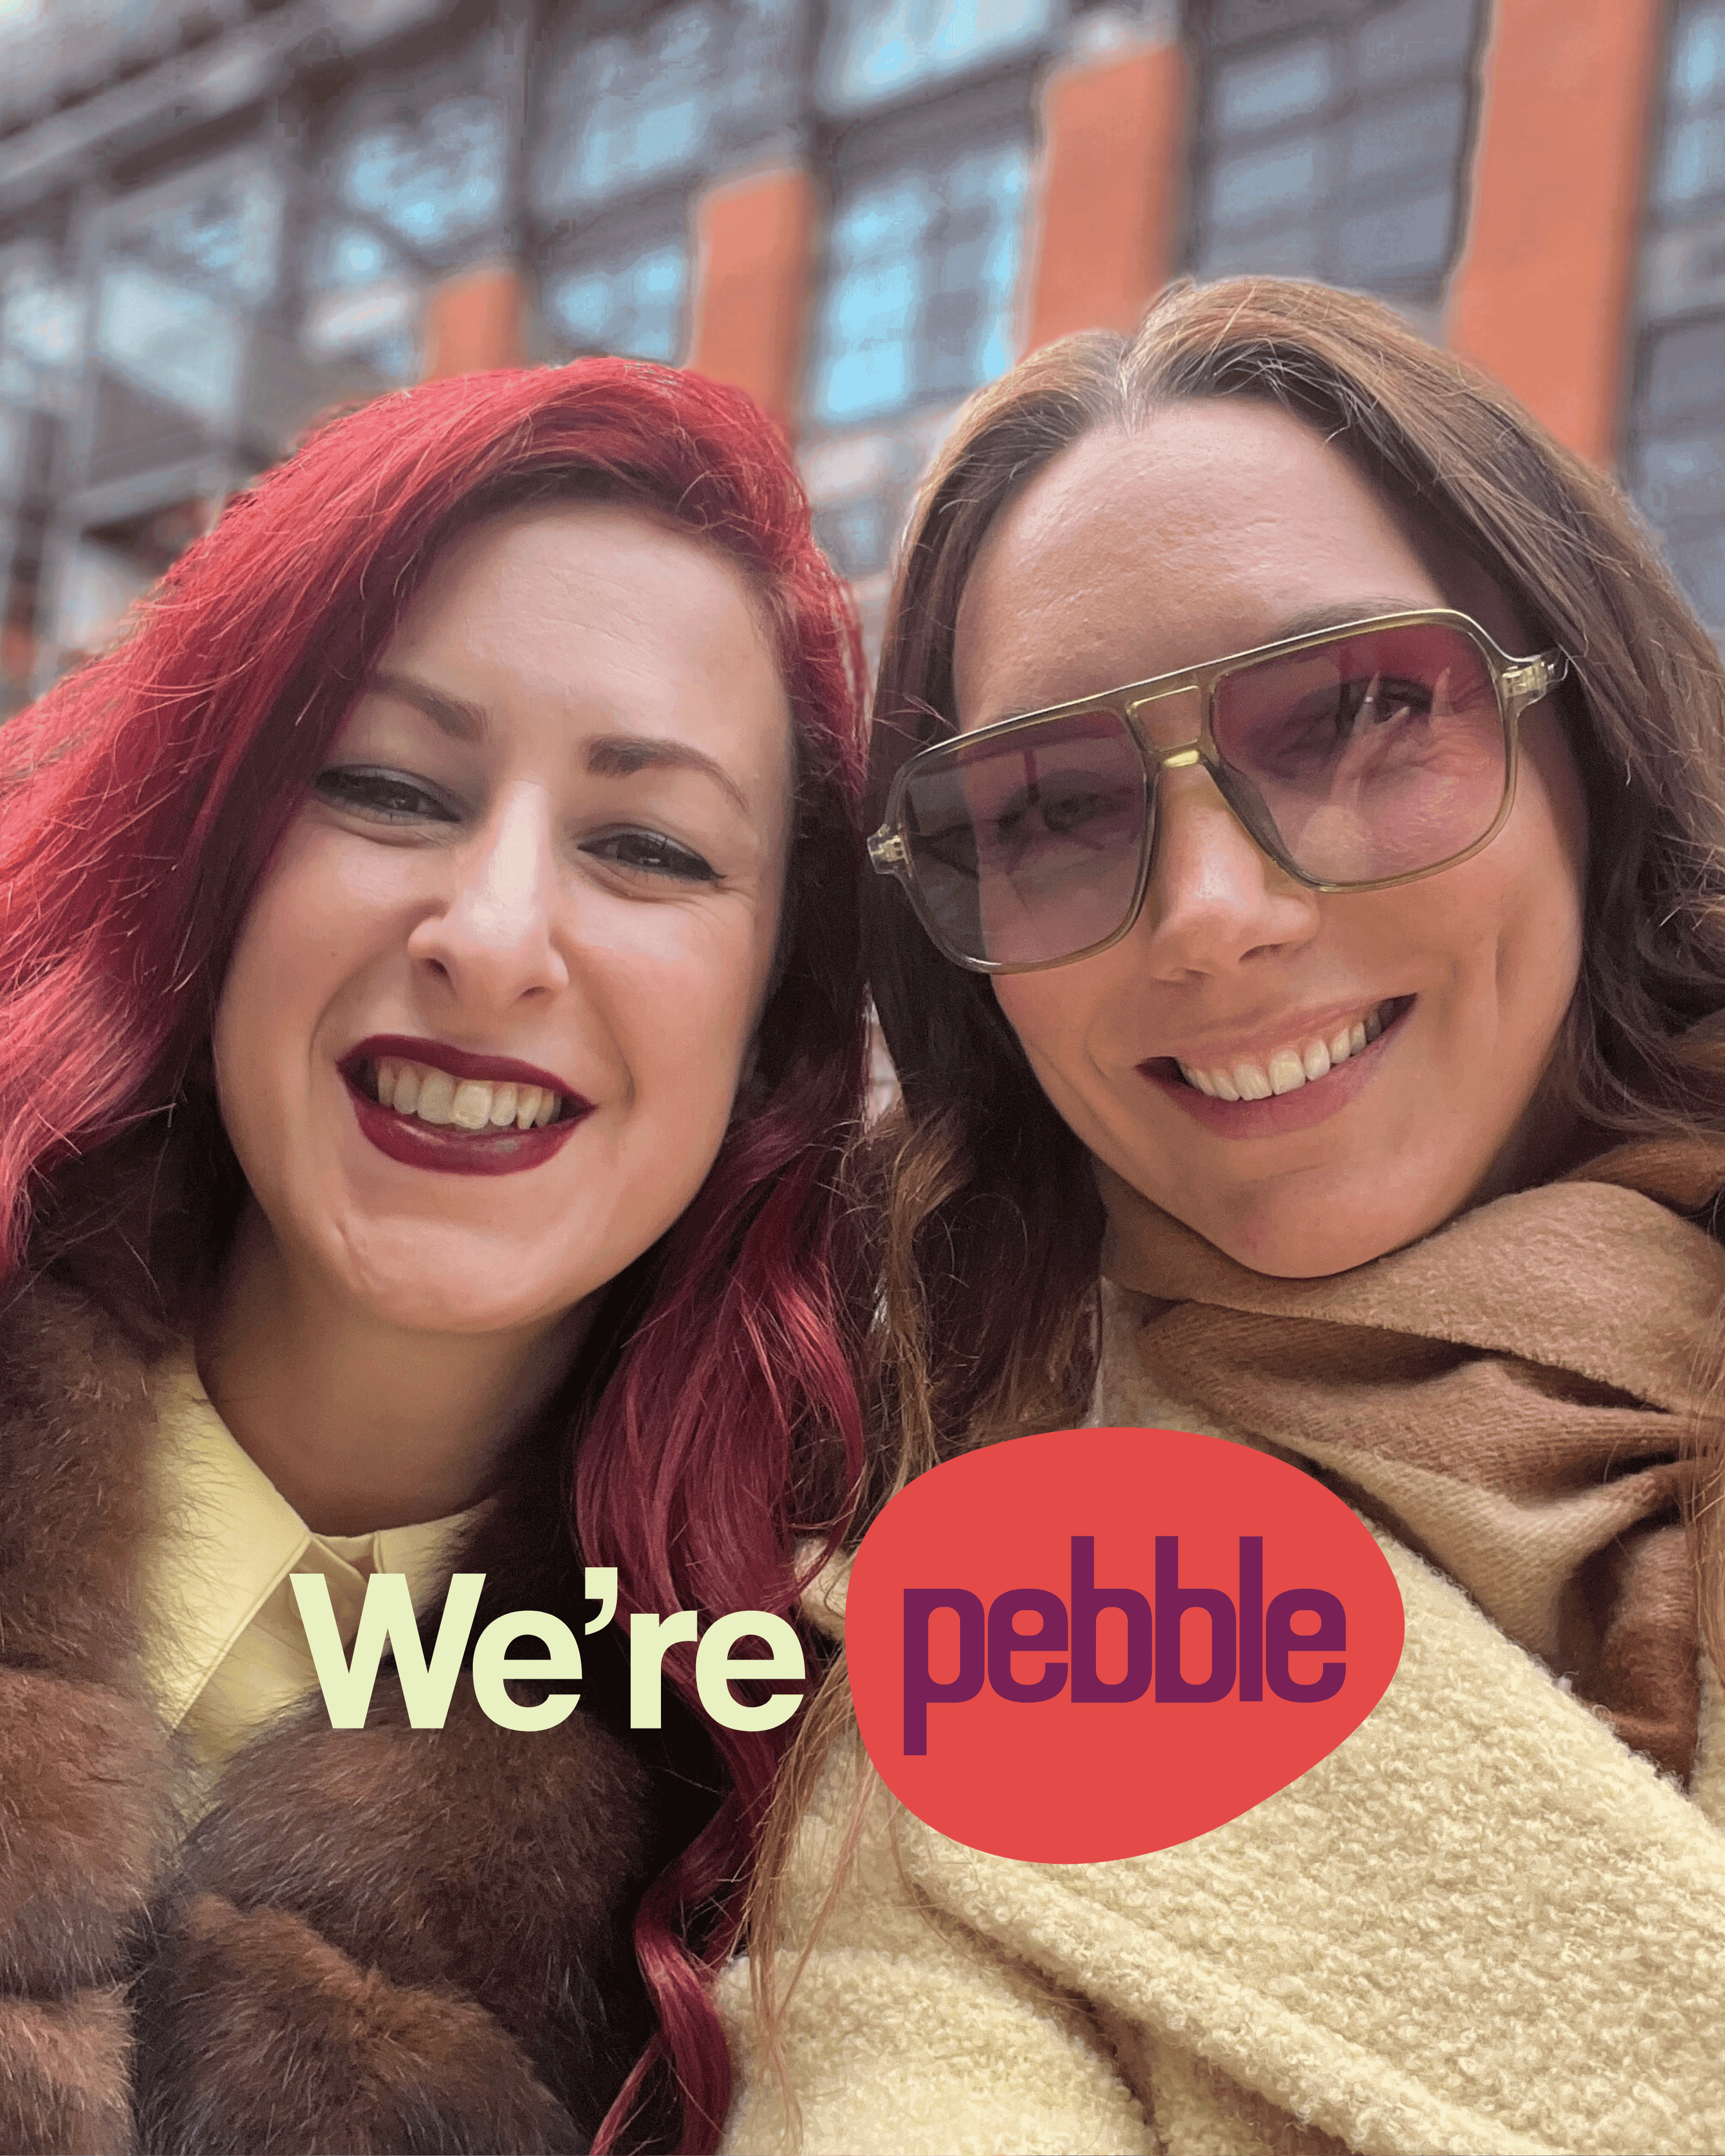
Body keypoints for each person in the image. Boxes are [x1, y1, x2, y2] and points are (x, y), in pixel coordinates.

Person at [717, 279, 1725, 2156]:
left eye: (1355, 714)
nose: (1211, 915)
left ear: (1585, 737)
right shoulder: (952, 1629)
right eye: (1048, 813)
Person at [0, 358, 871, 2156]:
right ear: (214, 855)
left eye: (649, 846)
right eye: (391, 788)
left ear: (775, 1010)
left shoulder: (829, 1753)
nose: (493, 934)